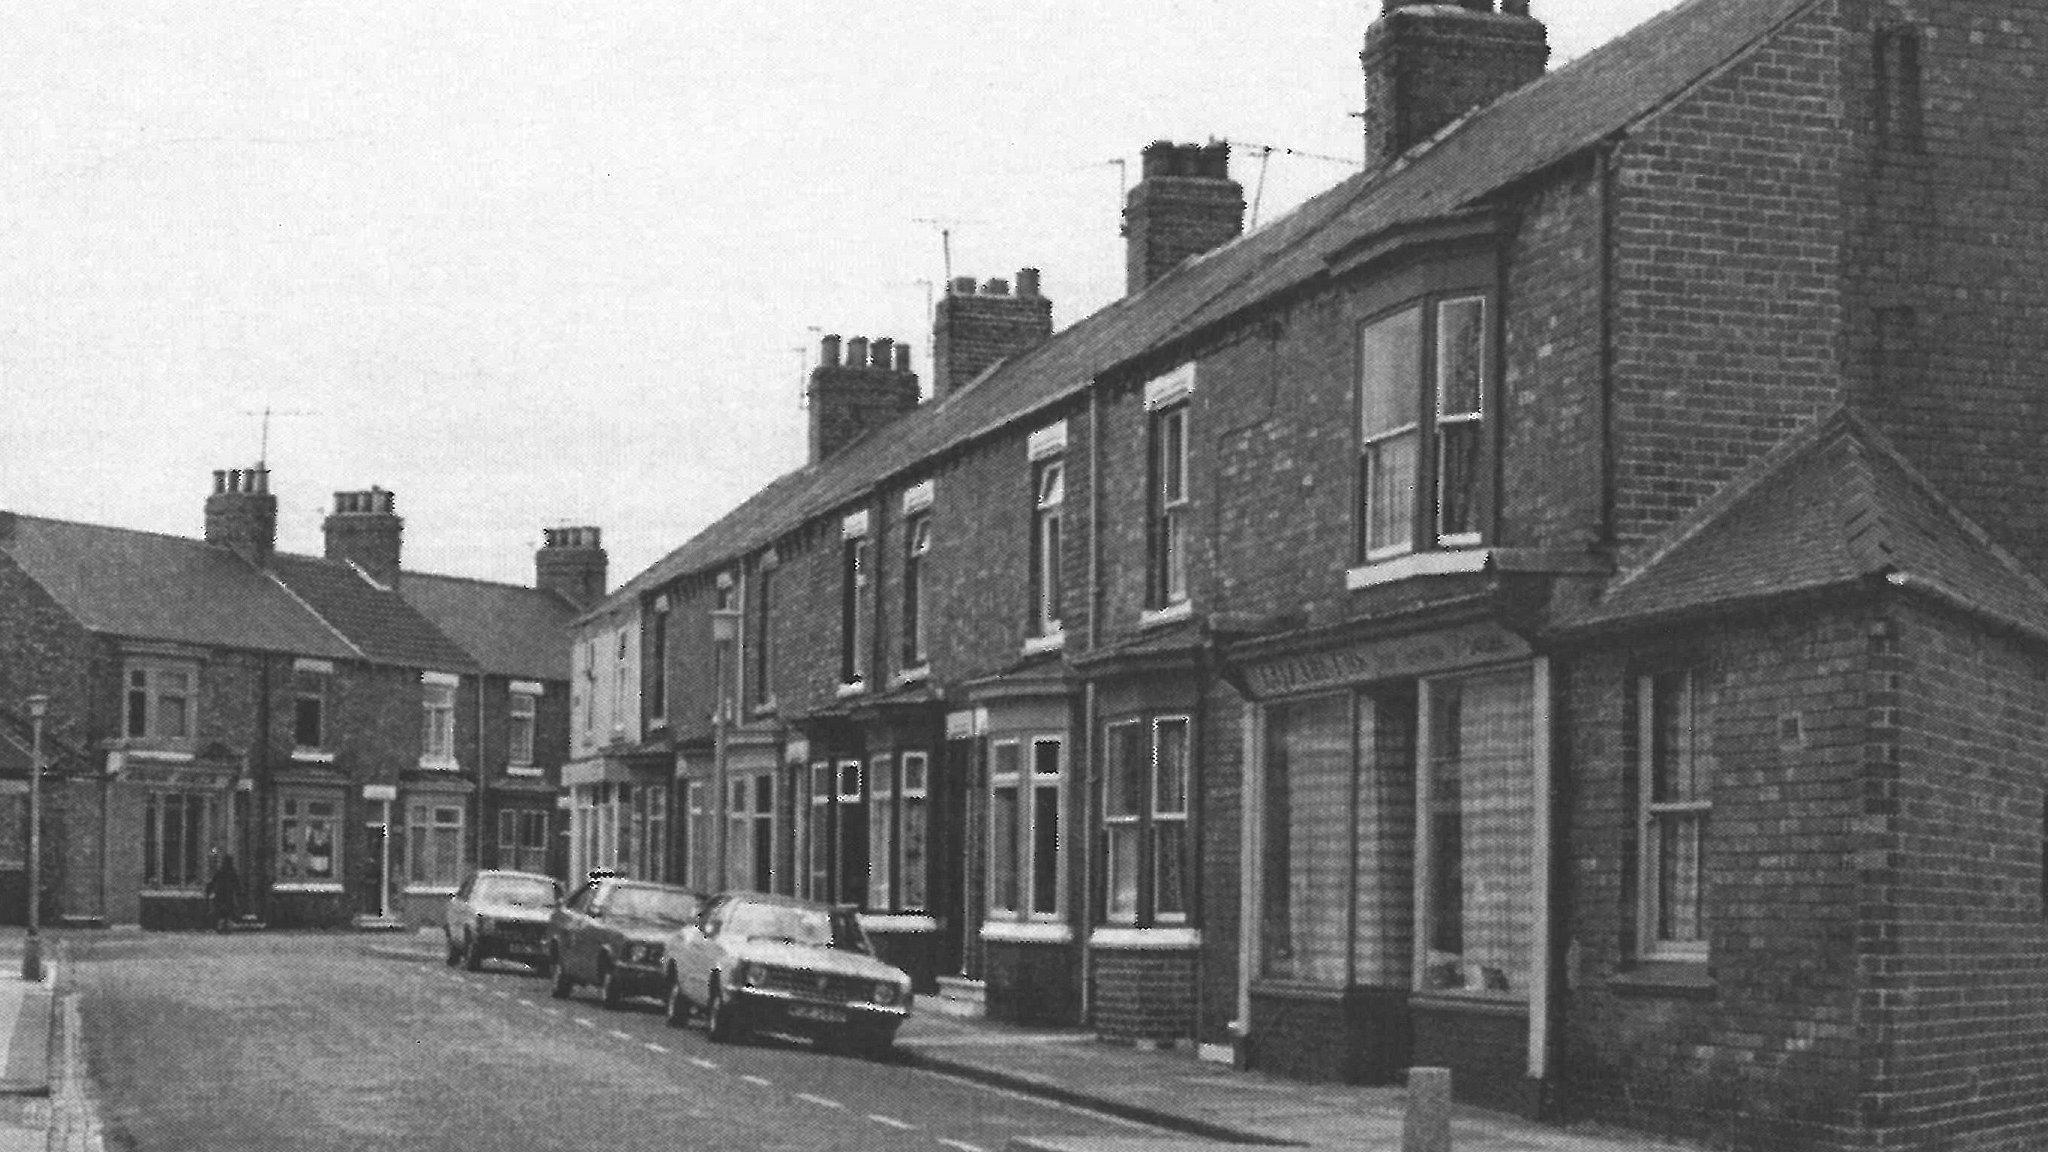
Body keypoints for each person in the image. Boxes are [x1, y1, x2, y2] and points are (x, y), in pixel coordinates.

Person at [206, 852, 240, 932]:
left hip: (220, 894)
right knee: (228, 911)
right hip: (228, 894)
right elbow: (237, 884)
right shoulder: (232, 873)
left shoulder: (220, 872)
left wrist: (209, 890)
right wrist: (238, 892)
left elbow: (213, 882)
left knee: (220, 911)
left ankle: (220, 926)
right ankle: (227, 926)